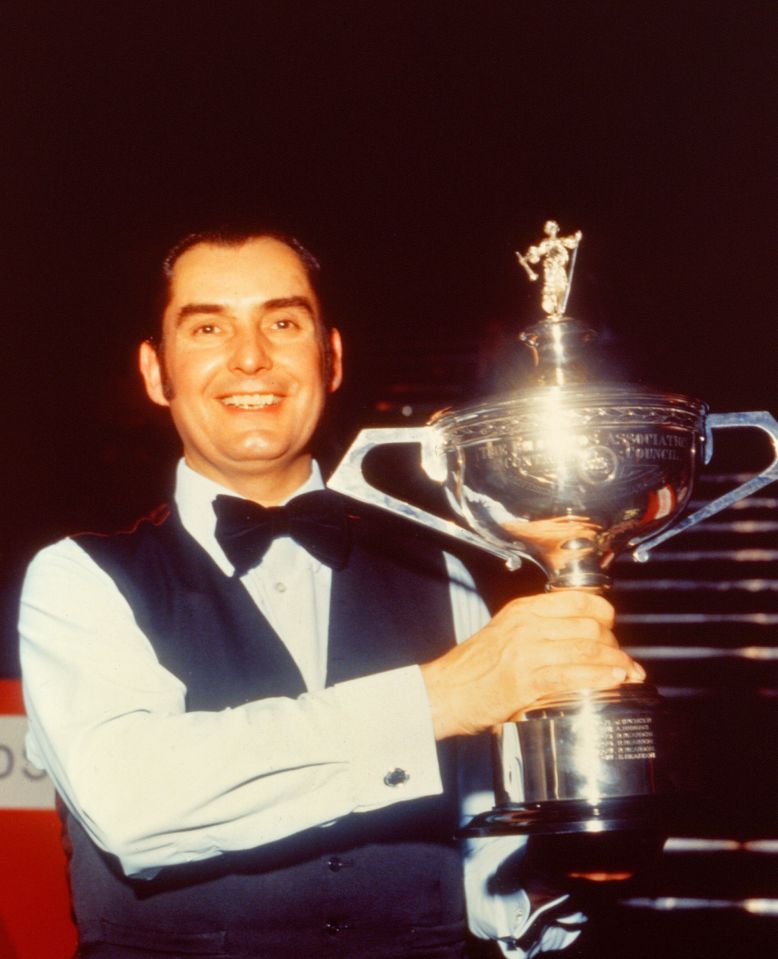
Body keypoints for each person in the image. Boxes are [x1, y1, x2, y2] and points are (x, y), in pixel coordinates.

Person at [19, 228, 644, 958]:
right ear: (156, 373)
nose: (251, 356)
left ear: (332, 358)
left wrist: (569, 861)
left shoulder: (441, 574)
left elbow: (480, 861)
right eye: (209, 326)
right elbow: (133, 804)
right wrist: (439, 697)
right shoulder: (76, 579)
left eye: (283, 323)